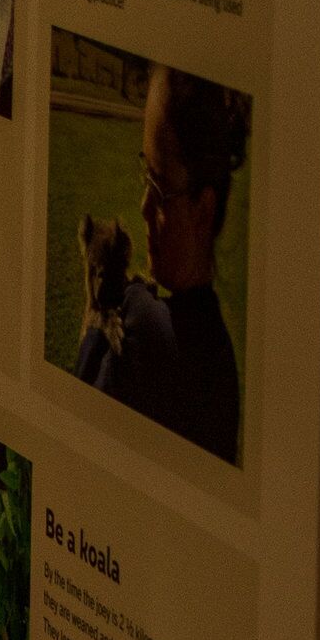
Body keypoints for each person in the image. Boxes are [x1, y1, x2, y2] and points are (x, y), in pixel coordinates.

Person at [75, 65, 249, 462]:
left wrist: (93, 318)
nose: (144, 205)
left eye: (160, 186)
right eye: (145, 175)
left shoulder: (139, 318)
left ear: (203, 210)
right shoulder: (224, 368)